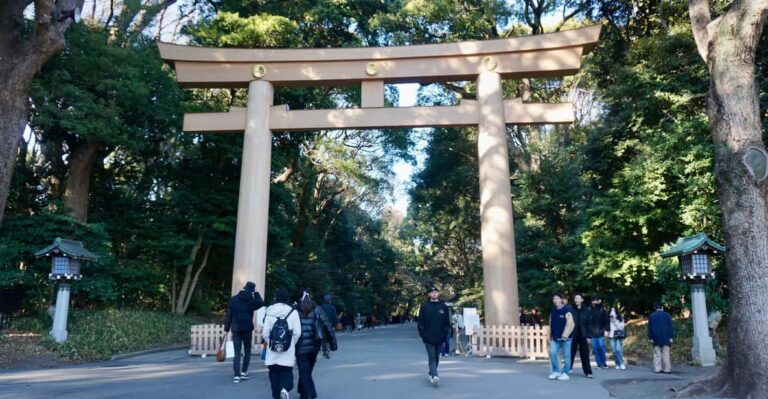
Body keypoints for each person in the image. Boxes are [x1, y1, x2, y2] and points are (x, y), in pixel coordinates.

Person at [295, 291, 335, 399]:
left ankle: (308, 393)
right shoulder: (317, 309)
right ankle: (304, 393)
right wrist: (333, 343)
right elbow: (328, 325)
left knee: (304, 371)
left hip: (299, 346)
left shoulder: (295, 310)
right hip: (314, 345)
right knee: (307, 371)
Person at [263, 287, 302, 399]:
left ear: (276, 297)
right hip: (288, 348)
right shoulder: (293, 312)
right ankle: (284, 389)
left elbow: (265, 333)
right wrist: (290, 343)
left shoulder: (269, 311)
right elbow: (297, 332)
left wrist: (270, 342)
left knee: (274, 372)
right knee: (286, 371)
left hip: (273, 348)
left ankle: (276, 395)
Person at [223, 281, 264, 384]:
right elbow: (261, 302)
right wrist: (256, 292)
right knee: (247, 350)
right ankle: (244, 372)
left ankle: (236, 375)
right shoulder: (251, 300)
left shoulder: (233, 300)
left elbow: (228, 316)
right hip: (247, 329)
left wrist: (226, 329)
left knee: (236, 352)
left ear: (244, 288)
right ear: (252, 290)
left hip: (236, 329)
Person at [417, 286, 451, 386]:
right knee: (432, 356)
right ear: (429, 295)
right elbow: (420, 322)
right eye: (432, 292)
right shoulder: (424, 306)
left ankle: (431, 373)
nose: (434, 294)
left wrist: (444, 334)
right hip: (428, 337)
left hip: (440, 337)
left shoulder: (443, 307)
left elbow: (446, 323)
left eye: (436, 292)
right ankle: (435, 375)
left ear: (438, 294)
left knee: (436, 356)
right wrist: (423, 335)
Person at [548, 292, 575, 381]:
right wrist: (550, 334)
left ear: (561, 300)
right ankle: (556, 371)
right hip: (555, 337)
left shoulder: (567, 310)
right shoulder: (553, 309)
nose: (555, 300)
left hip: (566, 338)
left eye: (557, 298)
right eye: (554, 299)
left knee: (567, 356)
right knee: (552, 353)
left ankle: (565, 373)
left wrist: (565, 336)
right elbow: (551, 322)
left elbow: (570, 324)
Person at [569, 293, 593, 378]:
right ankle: (568, 369)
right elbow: (568, 323)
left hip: (583, 335)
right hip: (573, 335)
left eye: (578, 298)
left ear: (582, 300)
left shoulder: (587, 310)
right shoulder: (571, 309)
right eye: (575, 298)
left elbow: (589, 324)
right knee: (570, 353)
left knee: (585, 354)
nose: (576, 300)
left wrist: (589, 336)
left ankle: (588, 372)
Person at [648, 302, 674, 374]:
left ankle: (657, 368)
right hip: (666, 336)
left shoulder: (652, 316)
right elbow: (670, 327)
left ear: (655, 308)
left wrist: (650, 337)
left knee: (657, 353)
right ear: (662, 307)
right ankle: (667, 369)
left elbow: (650, 328)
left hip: (656, 337)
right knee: (666, 353)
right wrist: (671, 337)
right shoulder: (667, 315)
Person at [587, 295, 610, 369]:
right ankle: (599, 364)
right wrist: (588, 336)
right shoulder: (589, 310)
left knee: (601, 347)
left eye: (597, 300)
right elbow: (587, 324)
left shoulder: (602, 310)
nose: (595, 302)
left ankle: (604, 362)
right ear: (592, 301)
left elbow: (607, 320)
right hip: (592, 334)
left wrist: (607, 330)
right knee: (595, 349)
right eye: (594, 300)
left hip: (601, 332)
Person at [319, 294, 338, 358]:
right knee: (330, 336)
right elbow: (334, 317)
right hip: (330, 324)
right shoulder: (332, 307)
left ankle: (325, 350)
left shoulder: (320, 307)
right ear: (329, 300)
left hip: (322, 324)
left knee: (324, 337)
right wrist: (335, 324)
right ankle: (329, 348)